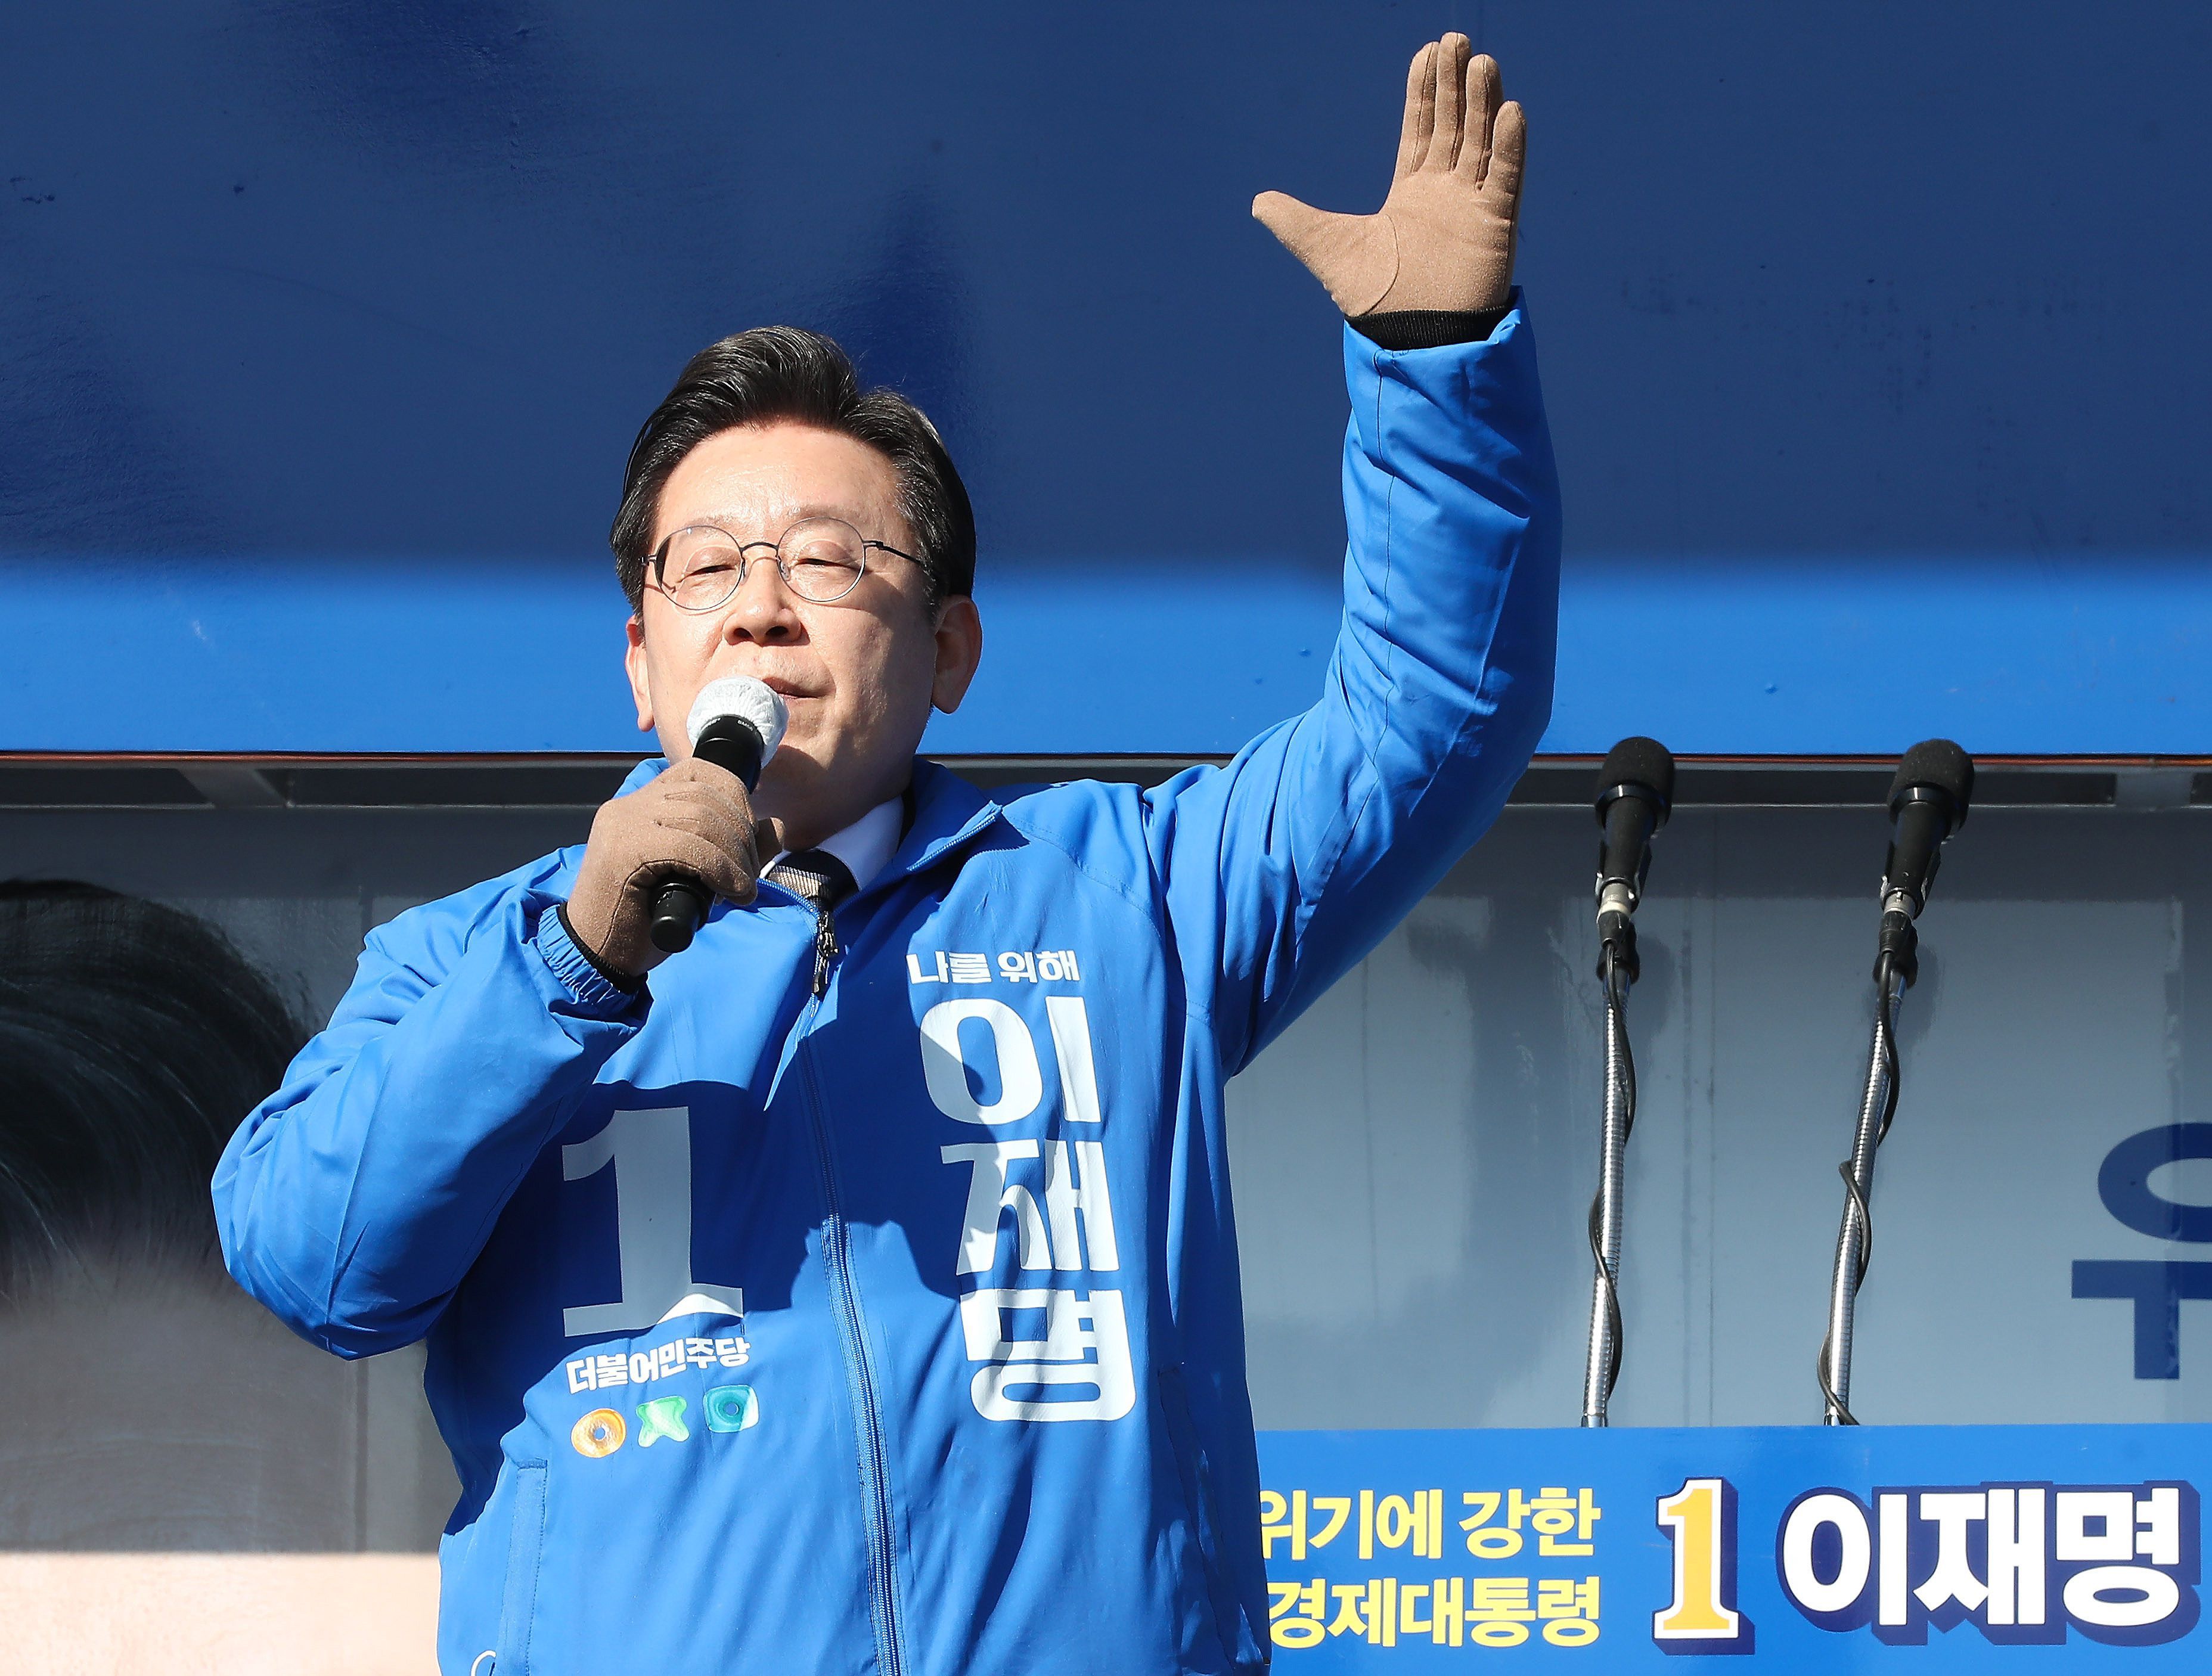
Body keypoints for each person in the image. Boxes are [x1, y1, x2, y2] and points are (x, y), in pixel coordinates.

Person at [215, 34, 1558, 1675]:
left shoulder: (1134, 896)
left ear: (951, 649)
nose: (763, 606)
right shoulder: (470, 958)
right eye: (708, 566)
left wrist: (1435, 361)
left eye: (832, 561)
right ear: (641, 658)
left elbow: (1432, 713)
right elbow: (314, 1265)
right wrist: (576, 962)